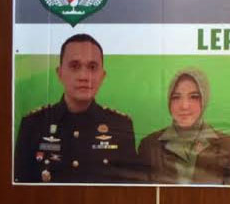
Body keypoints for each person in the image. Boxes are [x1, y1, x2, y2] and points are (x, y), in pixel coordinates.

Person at [14, 33, 138, 183]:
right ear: (59, 73)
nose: (84, 76)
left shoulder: (121, 125)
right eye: (74, 66)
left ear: (102, 76)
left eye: (92, 67)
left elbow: (129, 189)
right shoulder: (33, 124)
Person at [137, 68, 230, 184]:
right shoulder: (149, 145)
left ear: (204, 99)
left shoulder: (226, 145)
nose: (184, 106)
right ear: (169, 101)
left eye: (194, 96)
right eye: (176, 97)